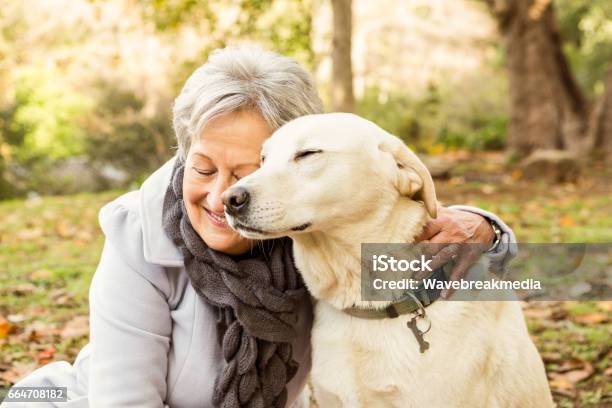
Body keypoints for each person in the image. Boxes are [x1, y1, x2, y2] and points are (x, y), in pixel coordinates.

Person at [1, 46, 516, 408]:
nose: (224, 194)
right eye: (203, 168)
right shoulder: (139, 236)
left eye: (247, 173)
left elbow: (388, 216)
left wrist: (488, 229)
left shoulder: (313, 238)